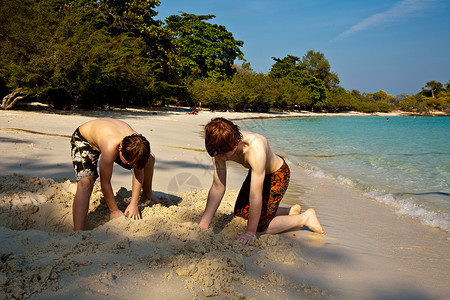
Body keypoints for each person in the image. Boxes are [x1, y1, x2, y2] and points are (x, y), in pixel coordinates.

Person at [199, 117, 325, 245]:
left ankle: (305, 218)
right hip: (256, 172)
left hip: (277, 174)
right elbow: (218, 186)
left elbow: (255, 196)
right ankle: (289, 211)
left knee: (259, 228)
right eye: (216, 154)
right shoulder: (218, 146)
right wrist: (204, 224)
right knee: (240, 213)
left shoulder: (255, 148)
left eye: (222, 154)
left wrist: (250, 233)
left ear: (235, 143)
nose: (219, 157)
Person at [70, 118, 158, 231]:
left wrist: (133, 204)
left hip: (110, 134)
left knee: (149, 158)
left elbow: (139, 172)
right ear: (120, 150)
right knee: (86, 182)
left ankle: (147, 193)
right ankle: (78, 231)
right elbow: (105, 182)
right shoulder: (110, 147)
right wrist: (114, 210)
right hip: (84, 139)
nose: (131, 167)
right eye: (128, 164)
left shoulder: (138, 143)